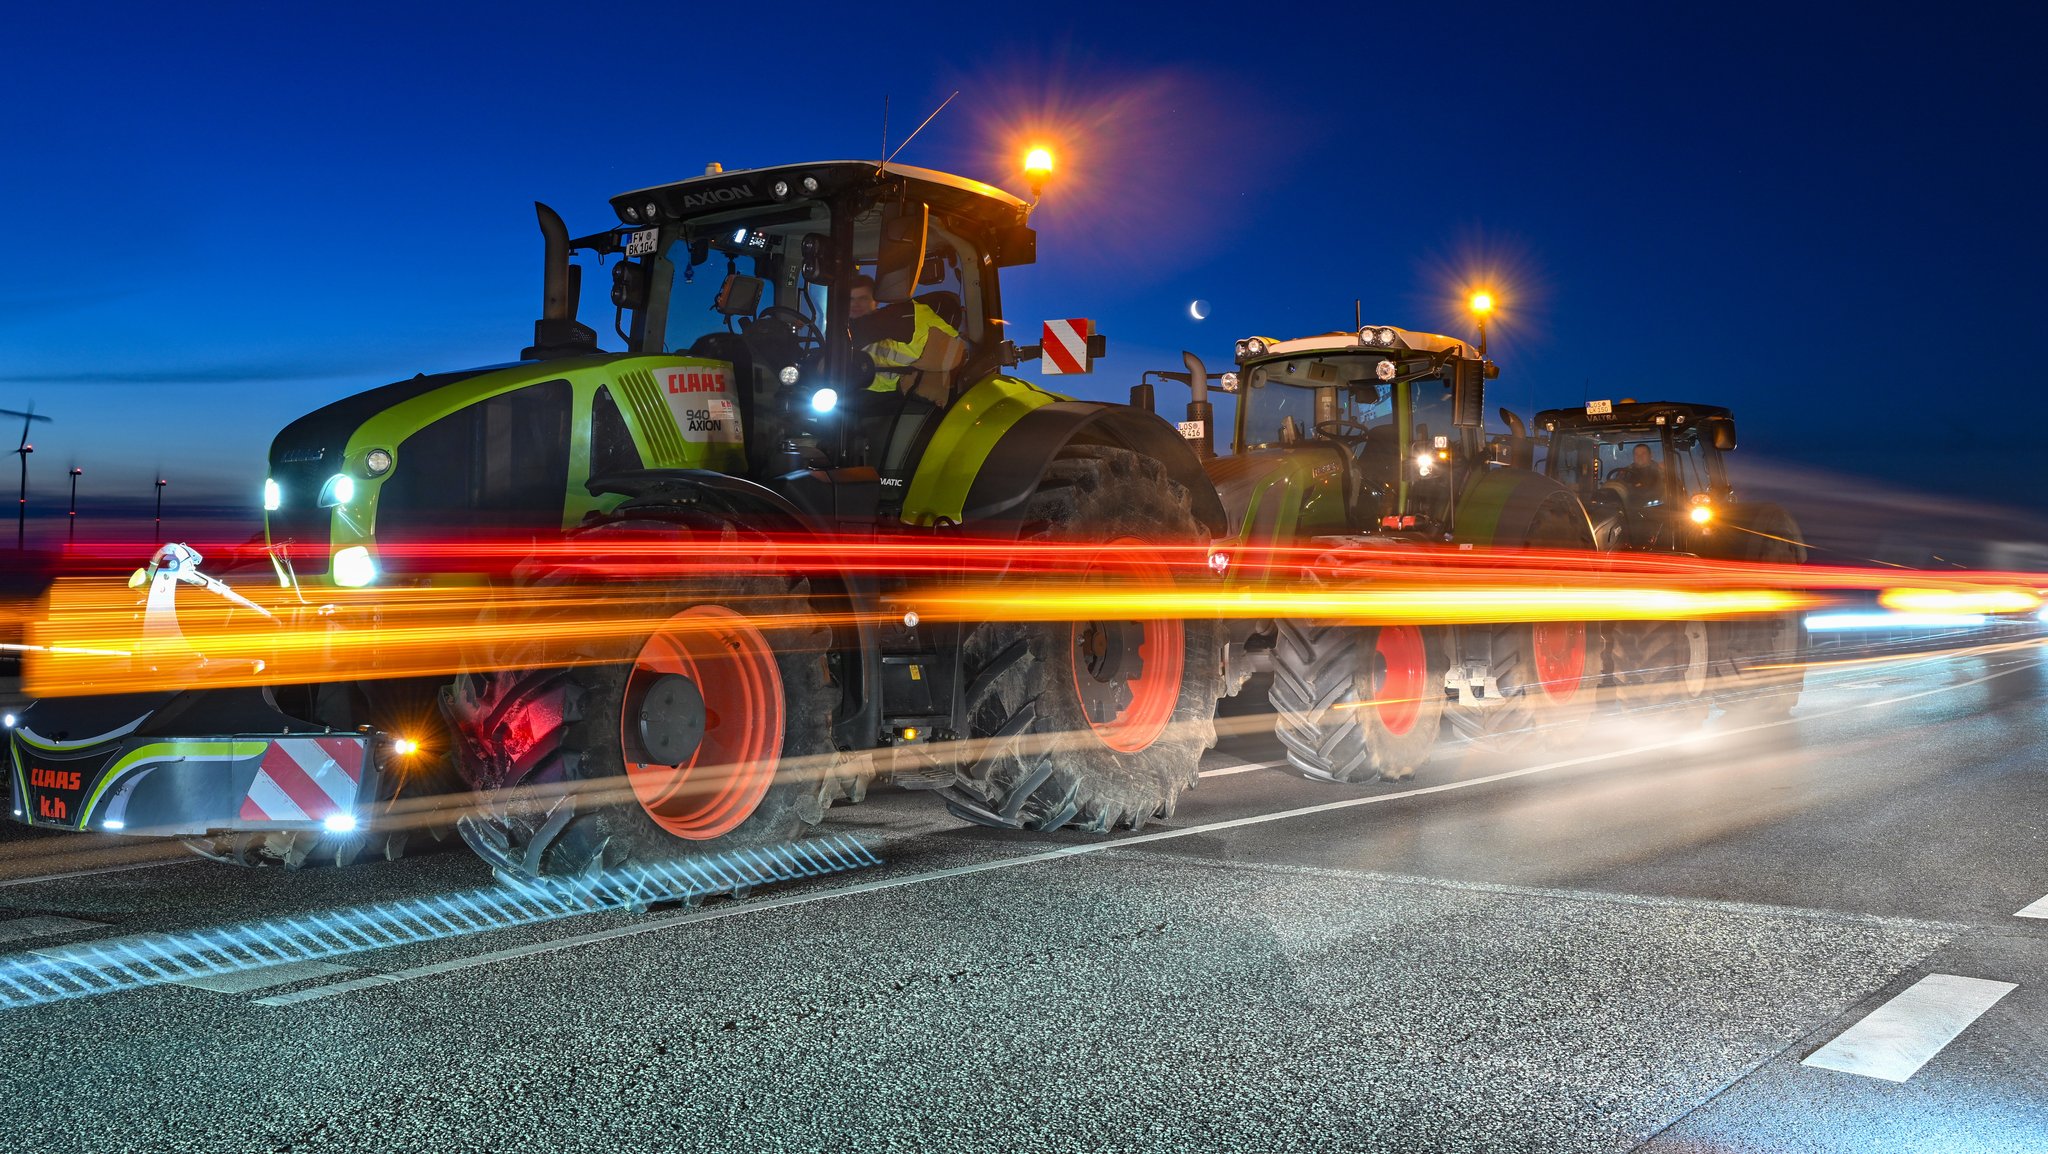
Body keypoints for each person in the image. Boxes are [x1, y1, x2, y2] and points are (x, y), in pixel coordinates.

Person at [845, 273, 964, 404]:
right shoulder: (895, 321)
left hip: (898, 403)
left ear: (876, 300)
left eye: (863, 298)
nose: (855, 304)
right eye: (850, 299)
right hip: (878, 397)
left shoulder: (895, 319)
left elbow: (854, 336)